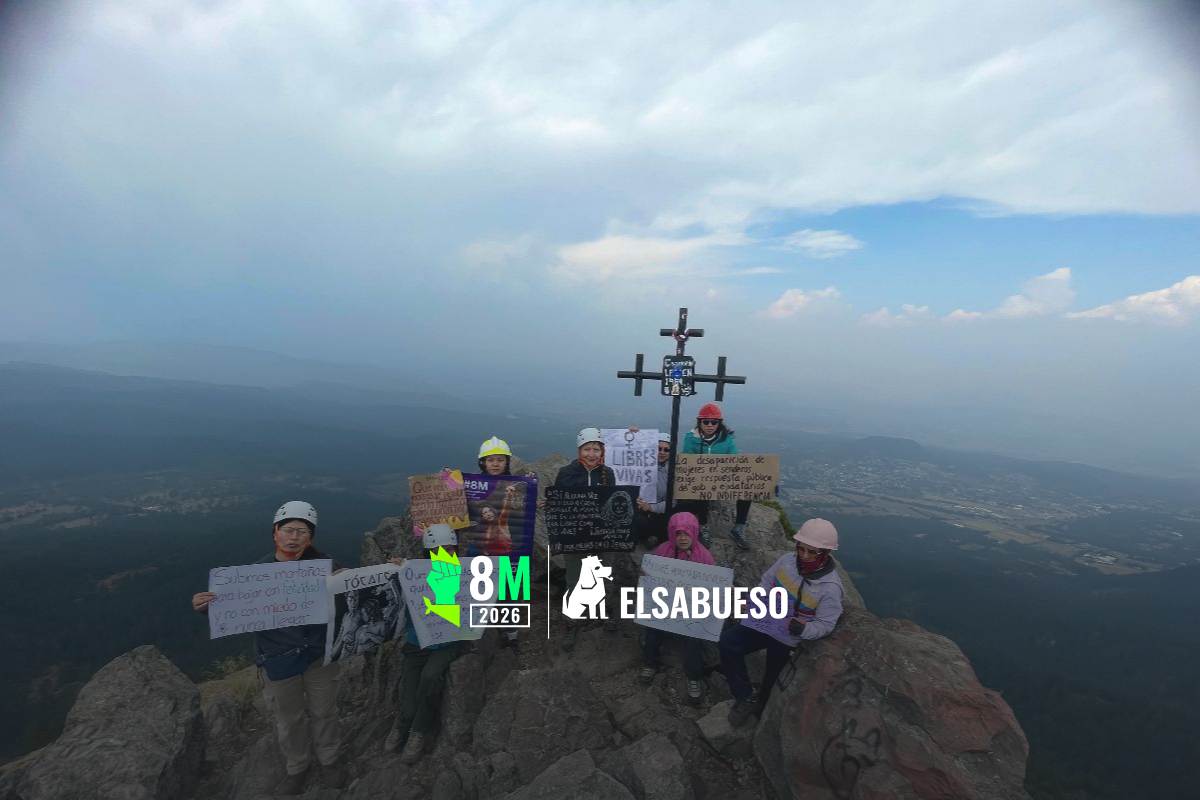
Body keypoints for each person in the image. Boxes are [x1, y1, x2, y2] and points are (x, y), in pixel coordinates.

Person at [191, 501, 346, 795]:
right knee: (289, 719)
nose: (295, 537)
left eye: (302, 531)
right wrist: (204, 607)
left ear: (310, 538)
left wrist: (351, 580)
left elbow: (352, 593)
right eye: (289, 530)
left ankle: (329, 760)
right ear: (275, 533)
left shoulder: (327, 566)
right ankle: (297, 766)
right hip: (278, 659)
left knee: (325, 711)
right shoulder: (256, 574)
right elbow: (231, 605)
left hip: (318, 655)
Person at [718, 518, 845, 727]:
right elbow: (767, 583)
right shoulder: (787, 561)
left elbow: (825, 623)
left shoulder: (830, 587)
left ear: (826, 553)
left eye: (812, 552)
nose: (804, 555)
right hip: (764, 622)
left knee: (773, 676)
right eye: (801, 549)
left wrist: (804, 628)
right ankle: (745, 696)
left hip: (789, 636)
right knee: (728, 643)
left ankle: (762, 706)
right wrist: (755, 601)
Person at [383, 523, 464, 762]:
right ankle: (403, 723)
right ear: (428, 553)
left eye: (449, 550)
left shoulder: (465, 572)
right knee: (408, 698)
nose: (444, 554)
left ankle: (418, 731)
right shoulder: (414, 573)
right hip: (416, 644)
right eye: (438, 550)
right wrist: (396, 568)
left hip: (448, 643)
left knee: (430, 677)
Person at [552, 427, 618, 652]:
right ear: (579, 450)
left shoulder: (608, 473)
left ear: (602, 451)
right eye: (587, 449)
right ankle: (573, 621)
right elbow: (559, 501)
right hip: (575, 535)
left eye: (596, 449)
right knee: (574, 578)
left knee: (604, 574)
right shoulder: (566, 472)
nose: (592, 453)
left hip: (601, 535)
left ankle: (604, 611)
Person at [639, 511, 715, 703]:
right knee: (652, 627)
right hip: (665, 605)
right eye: (678, 533)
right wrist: (646, 573)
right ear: (672, 534)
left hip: (690, 609)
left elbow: (712, 588)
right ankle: (650, 663)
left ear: (694, 533)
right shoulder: (663, 550)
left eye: (686, 533)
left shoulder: (704, 557)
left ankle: (693, 677)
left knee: (694, 636)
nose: (682, 538)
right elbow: (650, 576)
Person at [681, 402, 751, 550]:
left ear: (719, 423)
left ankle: (739, 527)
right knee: (703, 488)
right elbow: (688, 462)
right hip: (700, 480)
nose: (710, 425)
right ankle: (703, 526)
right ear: (700, 422)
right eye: (706, 422)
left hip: (722, 479)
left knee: (748, 489)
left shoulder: (727, 439)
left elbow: (733, 459)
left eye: (714, 422)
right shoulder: (690, 438)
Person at [635, 432, 672, 548]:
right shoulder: (640, 463)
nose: (662, 452)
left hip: (659, 510)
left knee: (667, 520)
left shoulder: (674, 471)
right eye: (658, 448)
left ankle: (654, 537)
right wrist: (632, 433)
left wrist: (652, 507)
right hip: (640, 506)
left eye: (666, 450)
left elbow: (673, 501)